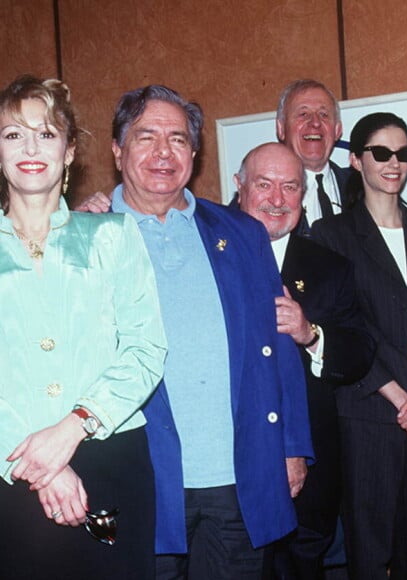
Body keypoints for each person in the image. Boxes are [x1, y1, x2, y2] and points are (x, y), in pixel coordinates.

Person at [82, 84, 314, 580]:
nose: (164, 153)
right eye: (147, 137)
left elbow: (277, 348)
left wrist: (293, 446)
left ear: (195, 153)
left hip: (238, 480)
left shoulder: (241, 233)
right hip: (141, 480)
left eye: (178, 139)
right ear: (118, 150)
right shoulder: (86, 238)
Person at [0, 75, 167, 580]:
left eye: (47, 133)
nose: (31, 147)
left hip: (110, 455)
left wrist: (72, 429)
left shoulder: (114, 236)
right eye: (13, 134)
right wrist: (36, 465)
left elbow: (145, 350)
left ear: (70, 150)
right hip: (10, 466)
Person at [311, 112, 407, 580]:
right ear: (357, 161)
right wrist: (405, 402)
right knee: (368, 554)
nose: (393, 163)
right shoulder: (331, 236)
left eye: (403, 153)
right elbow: (345, 328)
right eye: (381, 152)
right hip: (370, 421)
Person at [233, 142, 375, 579]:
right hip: (226, 467)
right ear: (239, 188)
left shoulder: (330, 267)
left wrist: (310, 335)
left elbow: (359, 351)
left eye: (290, 187)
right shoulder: (205, 249)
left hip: (308, 468)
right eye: (264, 185)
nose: (277, 200)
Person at [276, 79, 350, 235]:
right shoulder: (262, 199)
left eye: (323, 115)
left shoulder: (362, 189)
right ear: (281, 128)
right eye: (303, 114)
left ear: (337, 130)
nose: (315, 123)